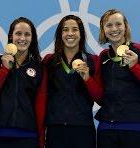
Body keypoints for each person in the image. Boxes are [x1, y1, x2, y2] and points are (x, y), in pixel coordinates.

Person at [37, 15, 103, 148]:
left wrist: (88, 79)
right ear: (60, 34)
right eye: (65, 30)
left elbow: (100, 99)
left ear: (81, 34)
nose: (70, 33)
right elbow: (42, 98)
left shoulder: (93, 60)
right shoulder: (49, 61)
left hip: (83, 129)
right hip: (56, 129)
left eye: (75, 29)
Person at [0, 17, 44, 148]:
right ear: (11, 36)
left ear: (32, 38)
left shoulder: (39, 67)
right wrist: (4, 69)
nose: (22, 38)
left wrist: (41, 140)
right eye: (18, 33)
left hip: (28, 137)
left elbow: (40, 106)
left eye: (27, 34)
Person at [95, 9, 140, 148]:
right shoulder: (103, 56)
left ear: (125, 27)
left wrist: (134, 66)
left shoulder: (138, 50)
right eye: (109, 25)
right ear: (103, 29)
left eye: (118, 24)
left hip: (134, 126)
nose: (114, 29)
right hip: (107, 127)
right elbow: (99, 96)